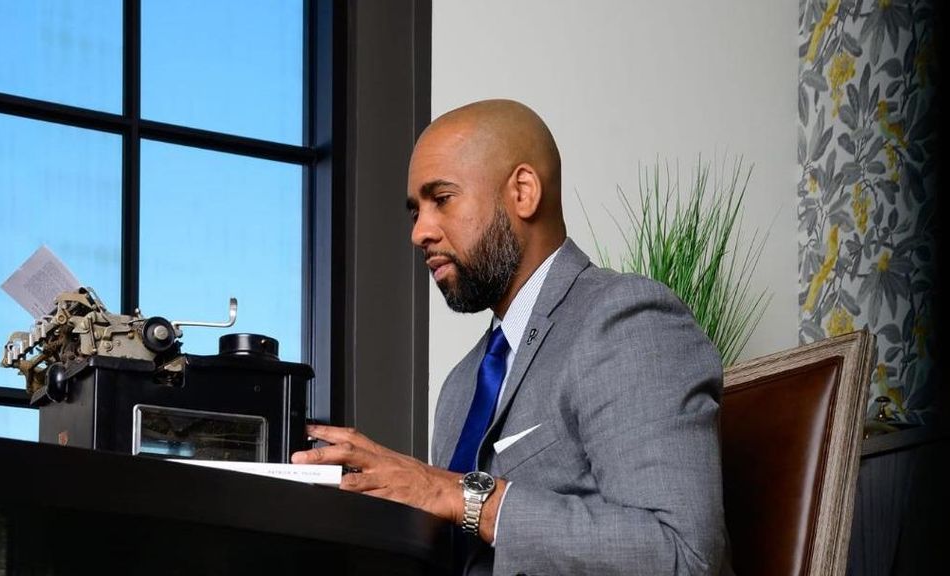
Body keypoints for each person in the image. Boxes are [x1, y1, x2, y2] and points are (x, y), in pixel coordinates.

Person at [292, 99, 732, 575]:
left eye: (442, 199)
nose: (420, 232)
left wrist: (453, 493)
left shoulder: (626, 320)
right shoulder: (461, 387)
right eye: (415, 211)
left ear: (523, 192)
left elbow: (684, 557)